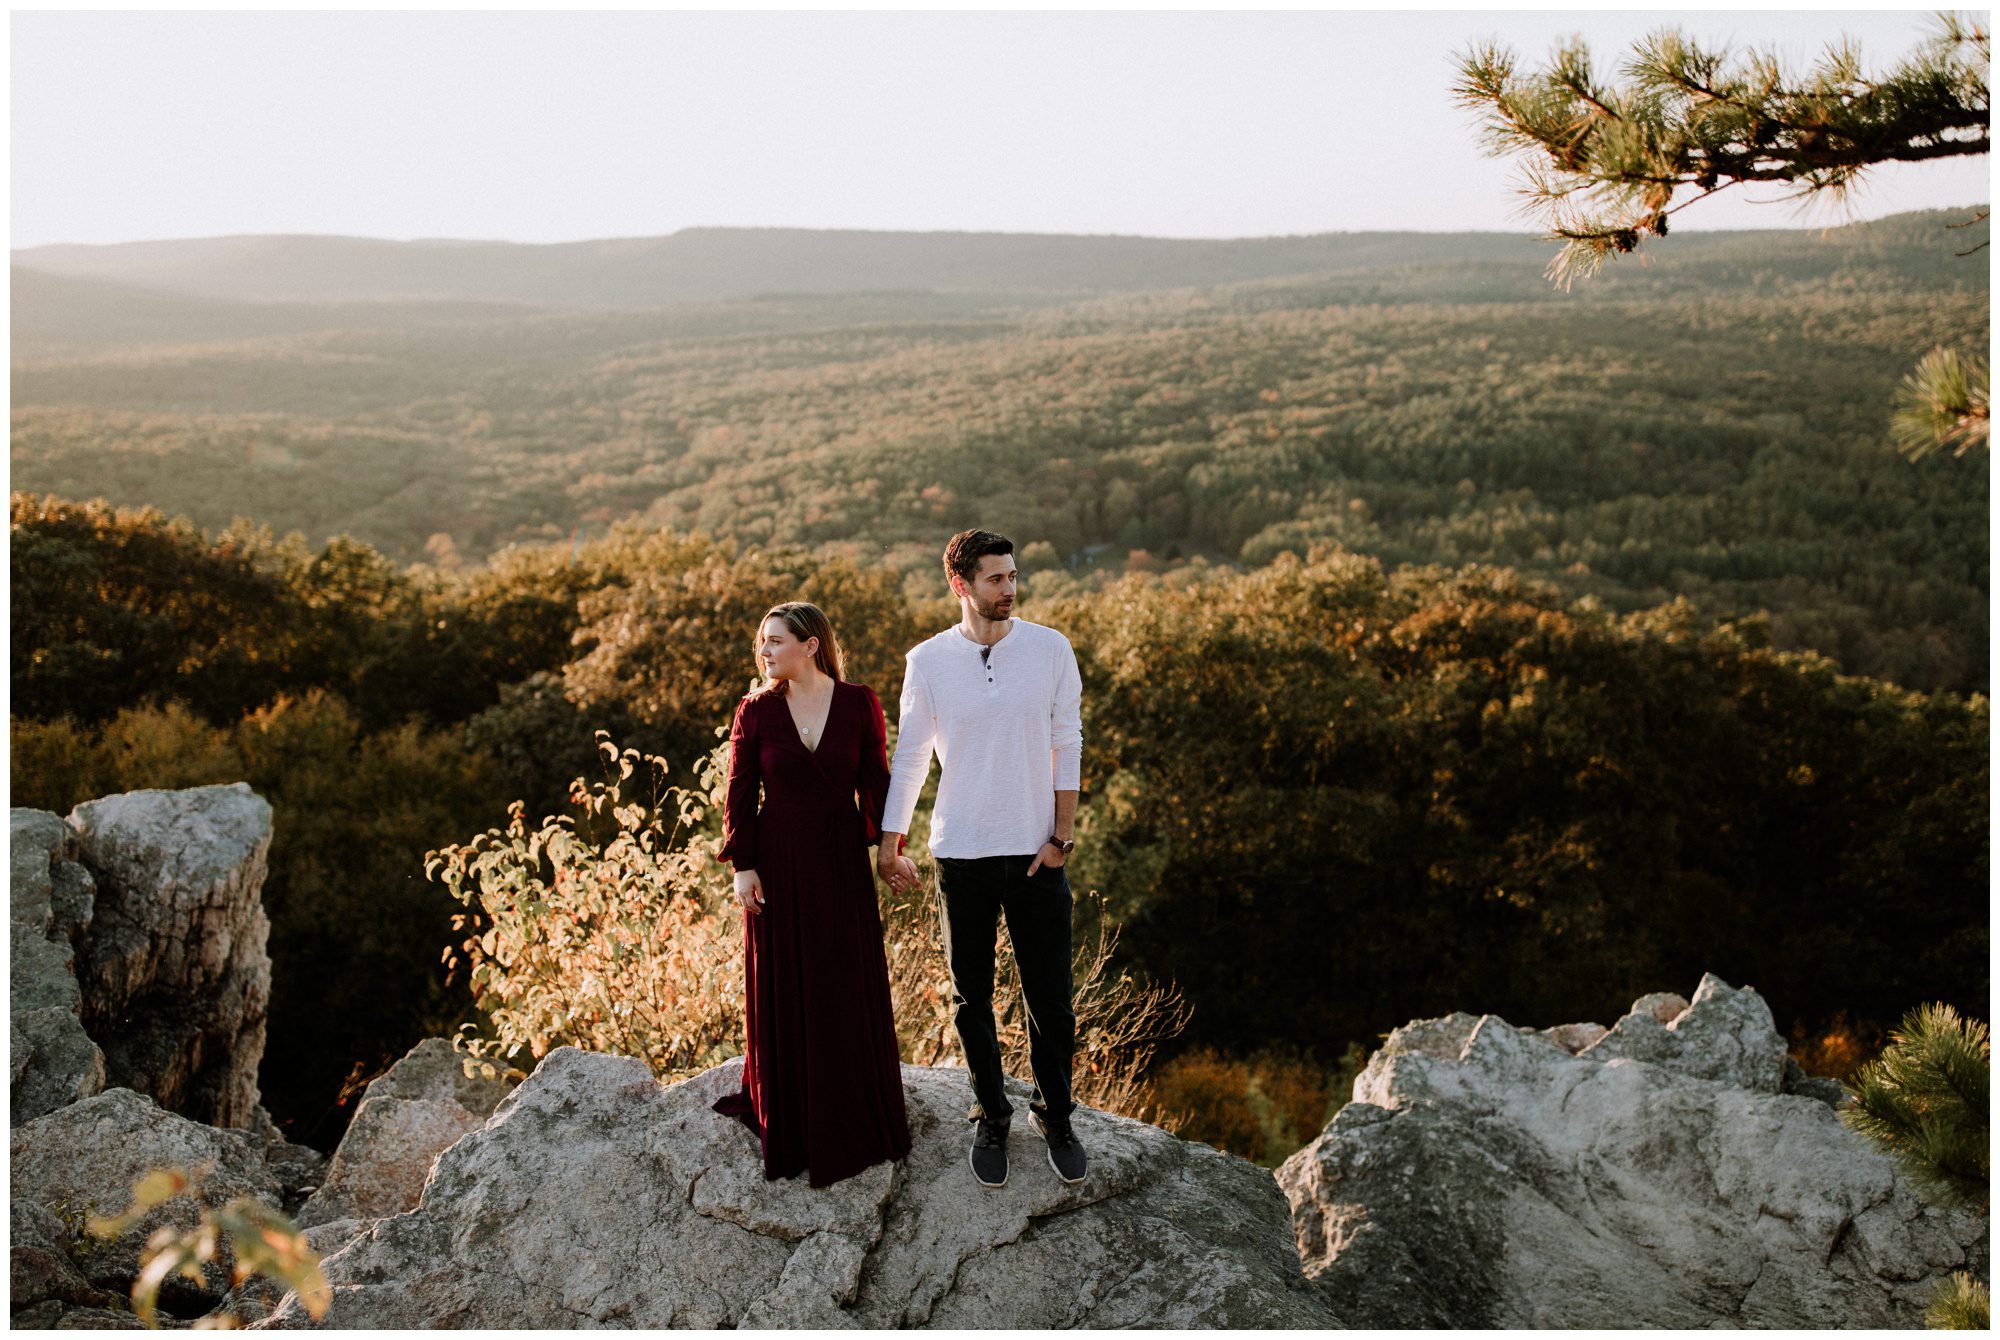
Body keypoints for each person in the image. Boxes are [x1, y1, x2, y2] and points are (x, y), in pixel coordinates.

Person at [877, 529, 1086, 1190]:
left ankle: (1055, 1115)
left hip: (1035, 854)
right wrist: (890, 841)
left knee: (1051, 998)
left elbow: (1067, 742)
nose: (1010, 589)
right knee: (973, 999)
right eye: (996, 579)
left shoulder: (1051, 649)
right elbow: (910, 757)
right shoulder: (928, 661)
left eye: (1013, 576)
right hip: (961, 855)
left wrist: (1061, 837)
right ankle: (991, 1114)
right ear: (961, 584)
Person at [713, 601, 912, 1188]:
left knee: (841, 978)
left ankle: (851, 1108)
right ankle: (794, 1114)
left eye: (776, 641)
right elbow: (739, 792)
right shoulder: (756, 710)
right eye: (762, 643)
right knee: (785, 980)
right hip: (777, 862)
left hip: (839, 862)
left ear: (811, 645)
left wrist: (889, 849)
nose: (765, 652)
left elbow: (877, 780)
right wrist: (742, 866)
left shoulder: (858, 703)